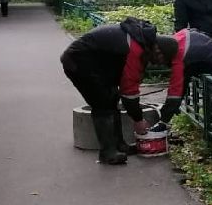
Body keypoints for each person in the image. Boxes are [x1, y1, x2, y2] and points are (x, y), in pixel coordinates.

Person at [60, 17, 160, 166]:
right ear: (154, 48)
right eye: (158, 58)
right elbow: (129, 91)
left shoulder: (137, 37)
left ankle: (120, 145)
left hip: (97, 64)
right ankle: (108, 152)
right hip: (78, 62)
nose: (156, 63)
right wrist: (138, 120)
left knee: (112, 98)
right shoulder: (135, 49)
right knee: (102, 103)